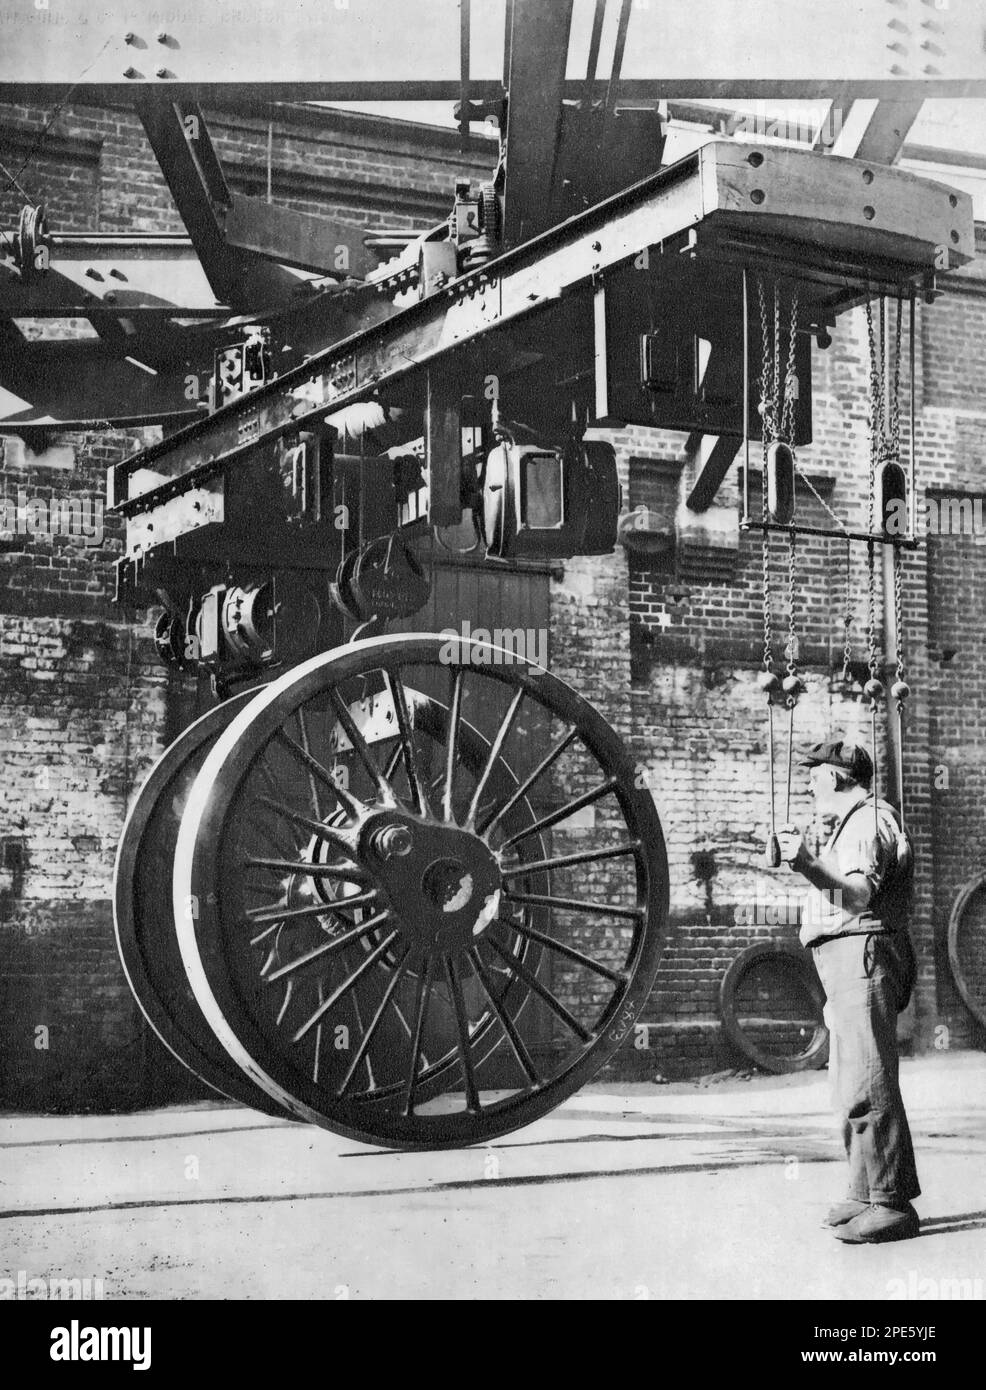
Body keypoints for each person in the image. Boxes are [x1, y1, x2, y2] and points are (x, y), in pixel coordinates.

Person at [775, 738, 920, 1244]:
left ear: (833, 778)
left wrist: (808, 864)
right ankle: (864, 1188)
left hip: (863, 953)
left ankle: (890, 1201)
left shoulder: (868, 820)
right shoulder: (853, 823)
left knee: (868, 1079)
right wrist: (808, 861)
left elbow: (857, 897)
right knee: (848, 1081)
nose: (810, 787)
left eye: (813, 777)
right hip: (845, 958)